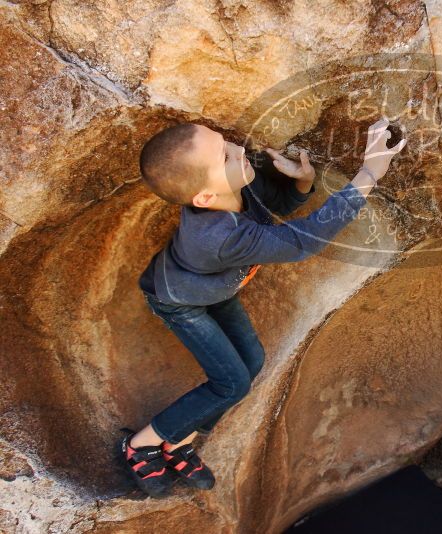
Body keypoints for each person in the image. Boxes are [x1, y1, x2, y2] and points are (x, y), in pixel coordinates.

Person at [122, 118, 406, 497]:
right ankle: (140, 445)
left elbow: (278, 203)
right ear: (204, 198)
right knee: (232, 383)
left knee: (251, 362)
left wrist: (303, 182)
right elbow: (303, 240)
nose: (240, 150)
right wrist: (370, 171)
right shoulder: (217, 236)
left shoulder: (233, 182)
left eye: (227, 143)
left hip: (214, 292)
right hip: (180, 303)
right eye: (225, 155)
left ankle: (177, 443)